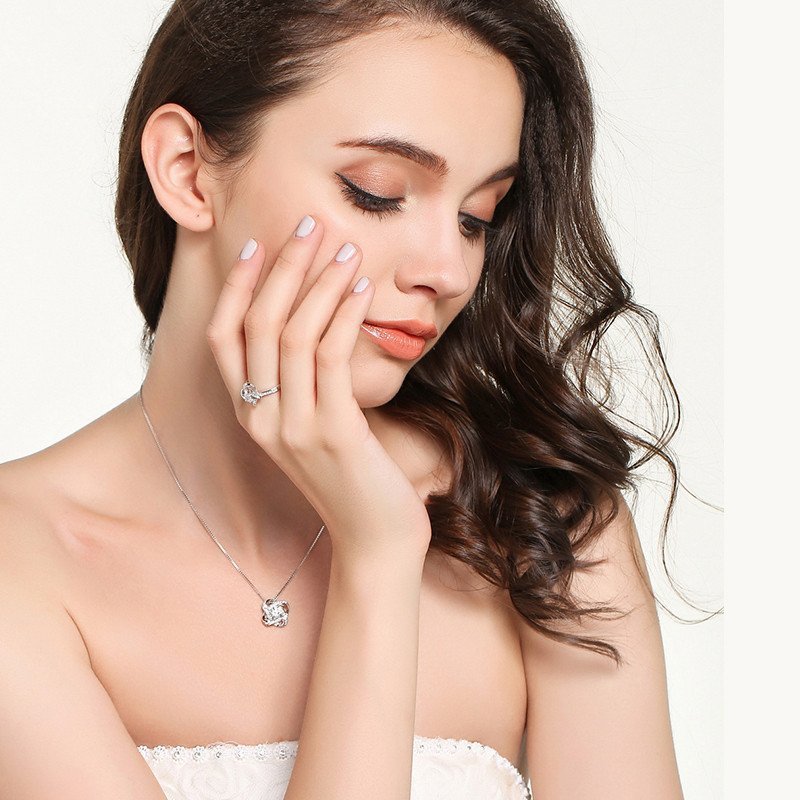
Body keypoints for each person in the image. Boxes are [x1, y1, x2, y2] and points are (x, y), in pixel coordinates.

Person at [0, 1, 688, 798]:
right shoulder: (22, 562)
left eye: (476, 217)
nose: (447, 270)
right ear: (186, 170)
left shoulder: (544, 524)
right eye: (376, 192)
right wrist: (378, 560)